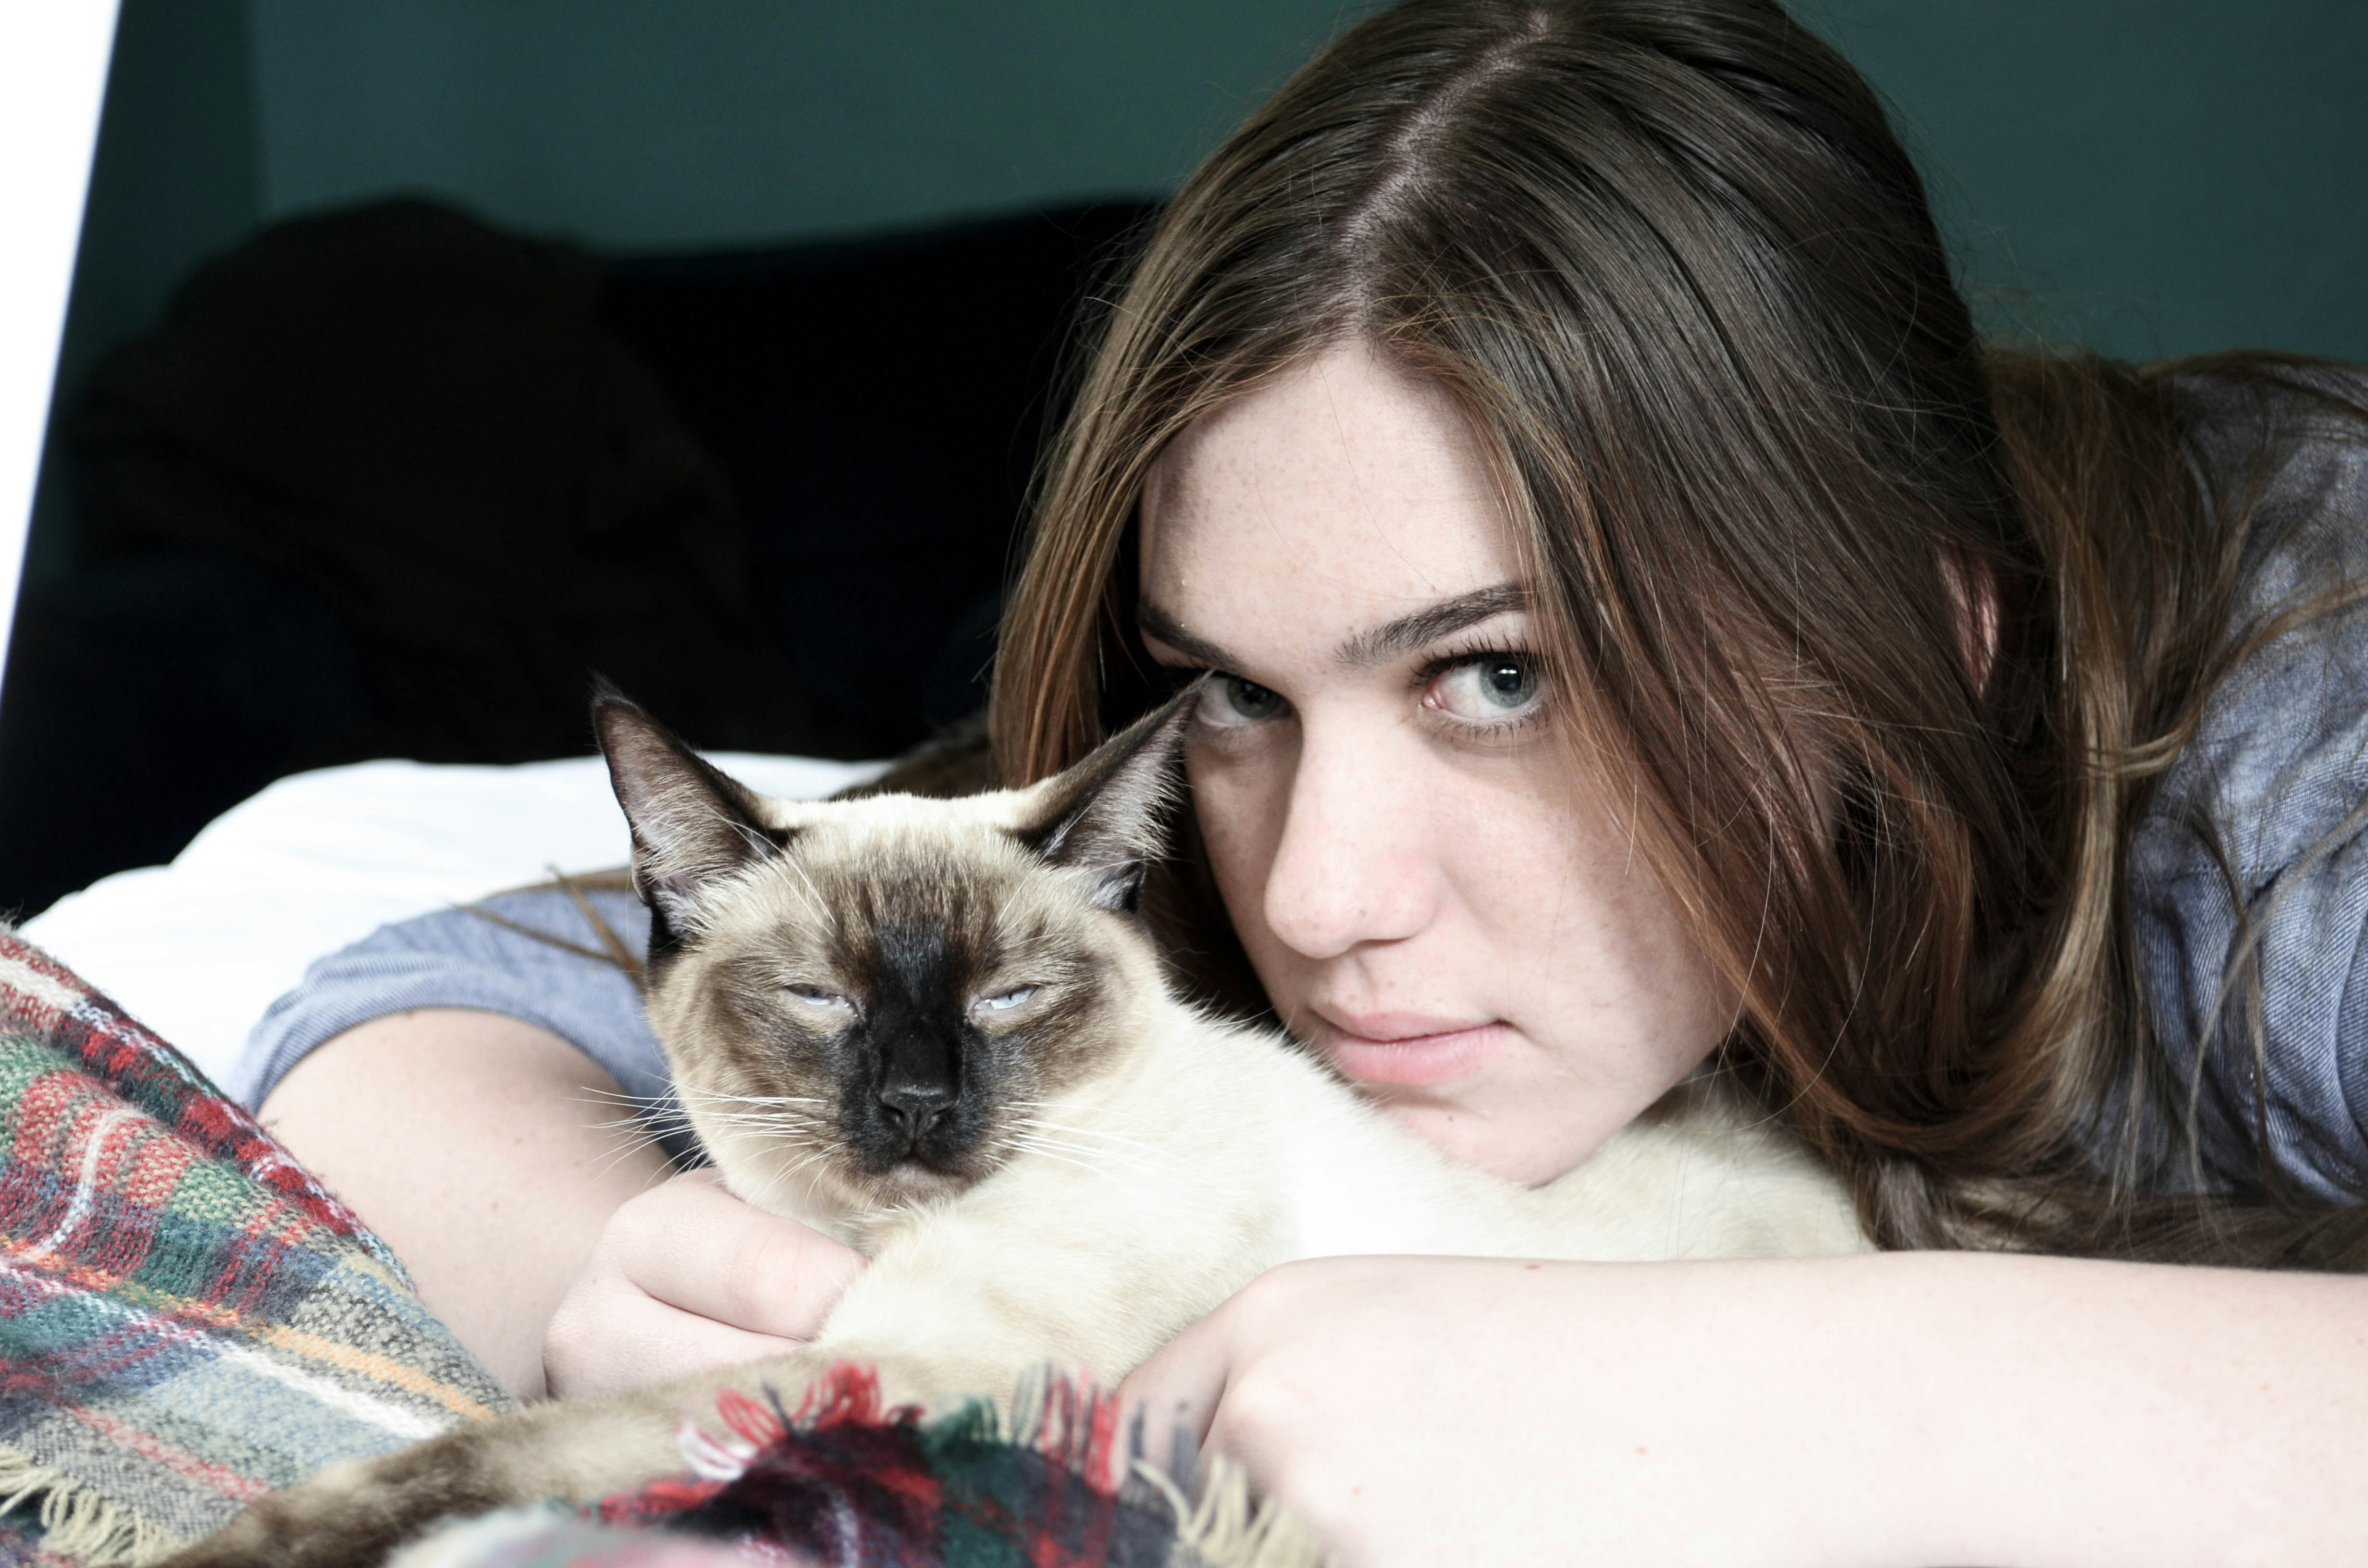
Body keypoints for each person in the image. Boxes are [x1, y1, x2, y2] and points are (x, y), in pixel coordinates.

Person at [246, 0, 2368, 1561]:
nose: (1318, 899)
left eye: (1502, 675)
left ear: (1925, 640)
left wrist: (1830, 1387)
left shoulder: (2305, 780)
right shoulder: (1151, 832)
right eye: (1238, 694)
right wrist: (674, 1285)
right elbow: (405, 1022)